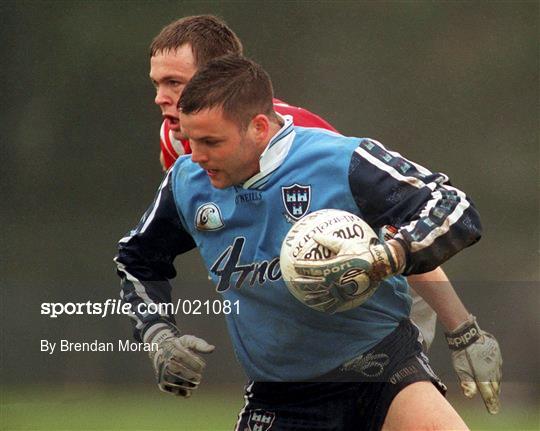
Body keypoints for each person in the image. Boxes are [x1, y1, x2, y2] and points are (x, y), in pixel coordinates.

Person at [146, 14, 502, 413]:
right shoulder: (177, 141)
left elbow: (385, 229)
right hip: (300, 299)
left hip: (380, 282)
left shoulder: (302, 142)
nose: (160, 97)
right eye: (157, 83)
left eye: (174, 83)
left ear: (219, 78)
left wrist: (462, 329)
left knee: (371, 397)